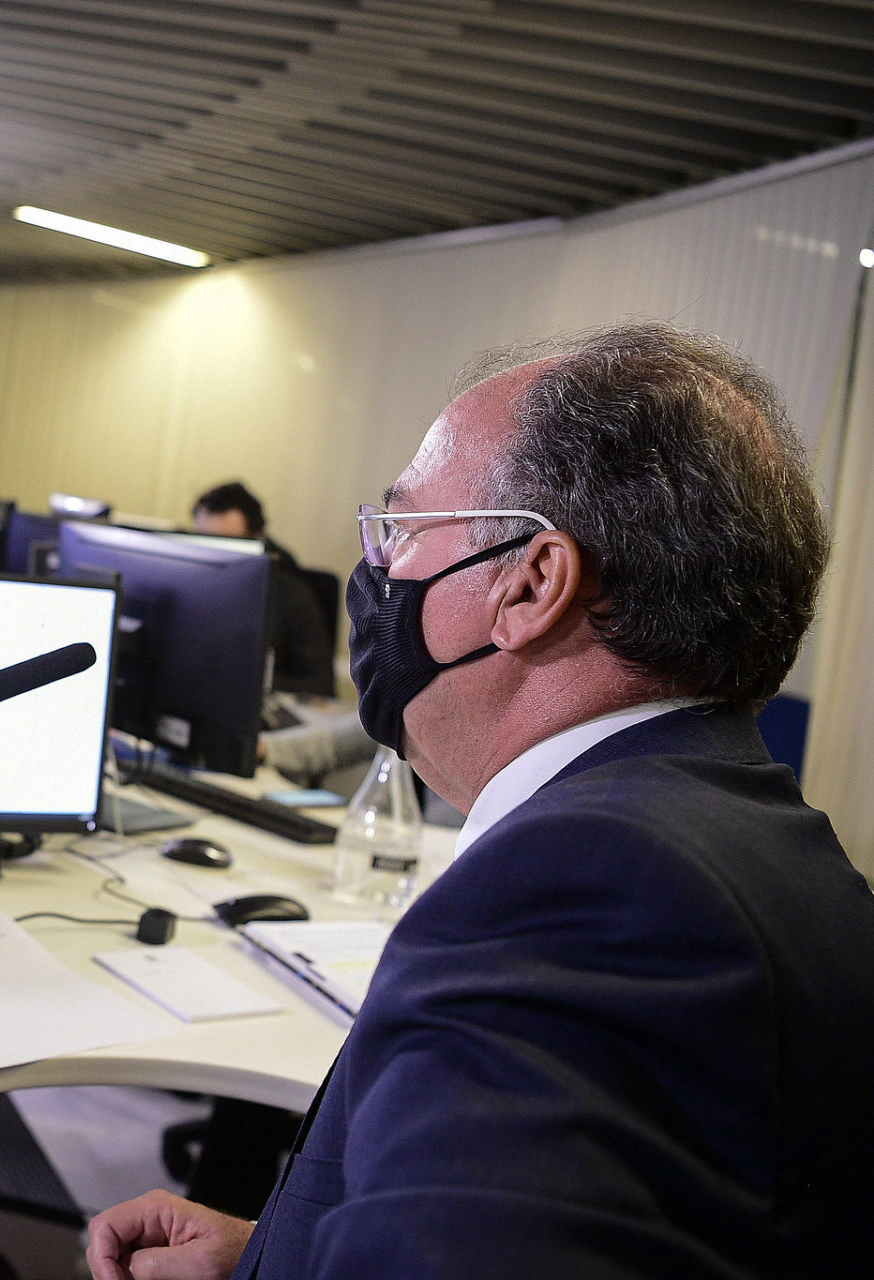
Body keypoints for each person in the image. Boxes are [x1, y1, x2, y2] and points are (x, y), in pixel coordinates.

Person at [89, 323, 874, 1279]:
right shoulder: (765, 845)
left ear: (534, 582)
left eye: (402, 532)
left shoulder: (586, 891)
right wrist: (277, 1260)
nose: (376, 573)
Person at [193, 481, 335, 698]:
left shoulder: (292, 596)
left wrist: (255, 681)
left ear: (258, 538)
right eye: (204, 543)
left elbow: (320, 684)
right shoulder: (191, 590)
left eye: (228, 546)